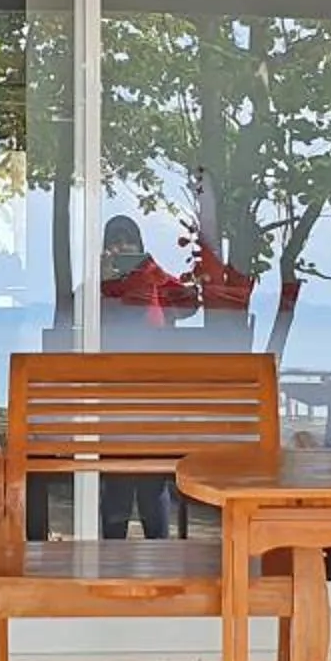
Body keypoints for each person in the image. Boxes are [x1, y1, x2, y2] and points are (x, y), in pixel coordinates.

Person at [92, 214, 193, 539]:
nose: (122, 248)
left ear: (141, 247)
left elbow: (189, 303)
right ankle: (110, 557)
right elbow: (82, 316)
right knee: (117, 484)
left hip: (154, 394)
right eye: (114, 242)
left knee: (152, 485)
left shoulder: (152, 281)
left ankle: (158, 551)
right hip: (114, 396)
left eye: (128, 243)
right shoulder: (101, 285)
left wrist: (153, 272)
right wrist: (102, 278)